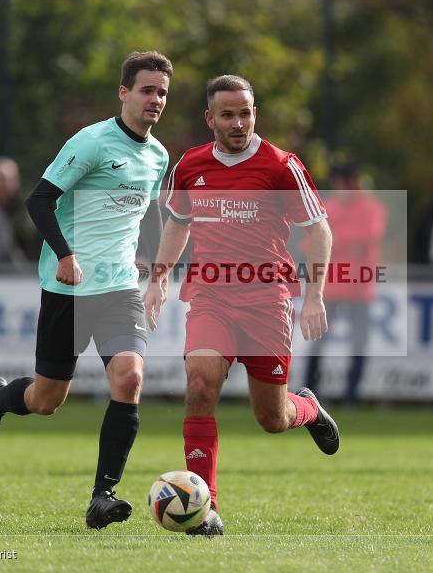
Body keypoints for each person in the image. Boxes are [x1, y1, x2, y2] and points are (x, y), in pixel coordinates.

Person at [0, 51, 172, 530]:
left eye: (162, 92)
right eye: (146, 89)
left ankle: (103, 496)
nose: (155, 100)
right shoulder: (91, 141)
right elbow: (39, 200)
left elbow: (148, 214)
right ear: (123, 92)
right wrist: (65, 254)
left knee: (130, 379)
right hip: (68, 286)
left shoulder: (159, 156)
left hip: (120, 288)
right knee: (47, 400)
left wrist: (154, 269)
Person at [143, 74, 339, 536]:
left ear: (256, 113)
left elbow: (319, 230)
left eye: (245, 113)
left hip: (267, 302)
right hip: (210, 297)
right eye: (227, 115)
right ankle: (204, 509)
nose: (238, 122)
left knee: (273, 419)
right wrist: (158, 277)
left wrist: (314, 295)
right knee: (200, 386)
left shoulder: (280, 166)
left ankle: (306, 409)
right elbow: (177, 223)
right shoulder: (190, 166)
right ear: (210, 118)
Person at [303, 163, 387, 405]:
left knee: (358, 342)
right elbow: (310, 244)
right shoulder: (329, 207)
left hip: (359, 288)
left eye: (340, 184)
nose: (337, 189)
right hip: (331, 286)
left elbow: (365, 239)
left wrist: (332, 241)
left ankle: (351, 394)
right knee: (317, 340)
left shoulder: (371, 209)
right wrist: (338, 242)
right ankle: (310, 391)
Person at [0, 156, 40, 260]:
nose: (3, 184)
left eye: (6, 179)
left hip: (27, 267)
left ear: (16, 180)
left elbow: (28, 232)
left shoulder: (29, 204)